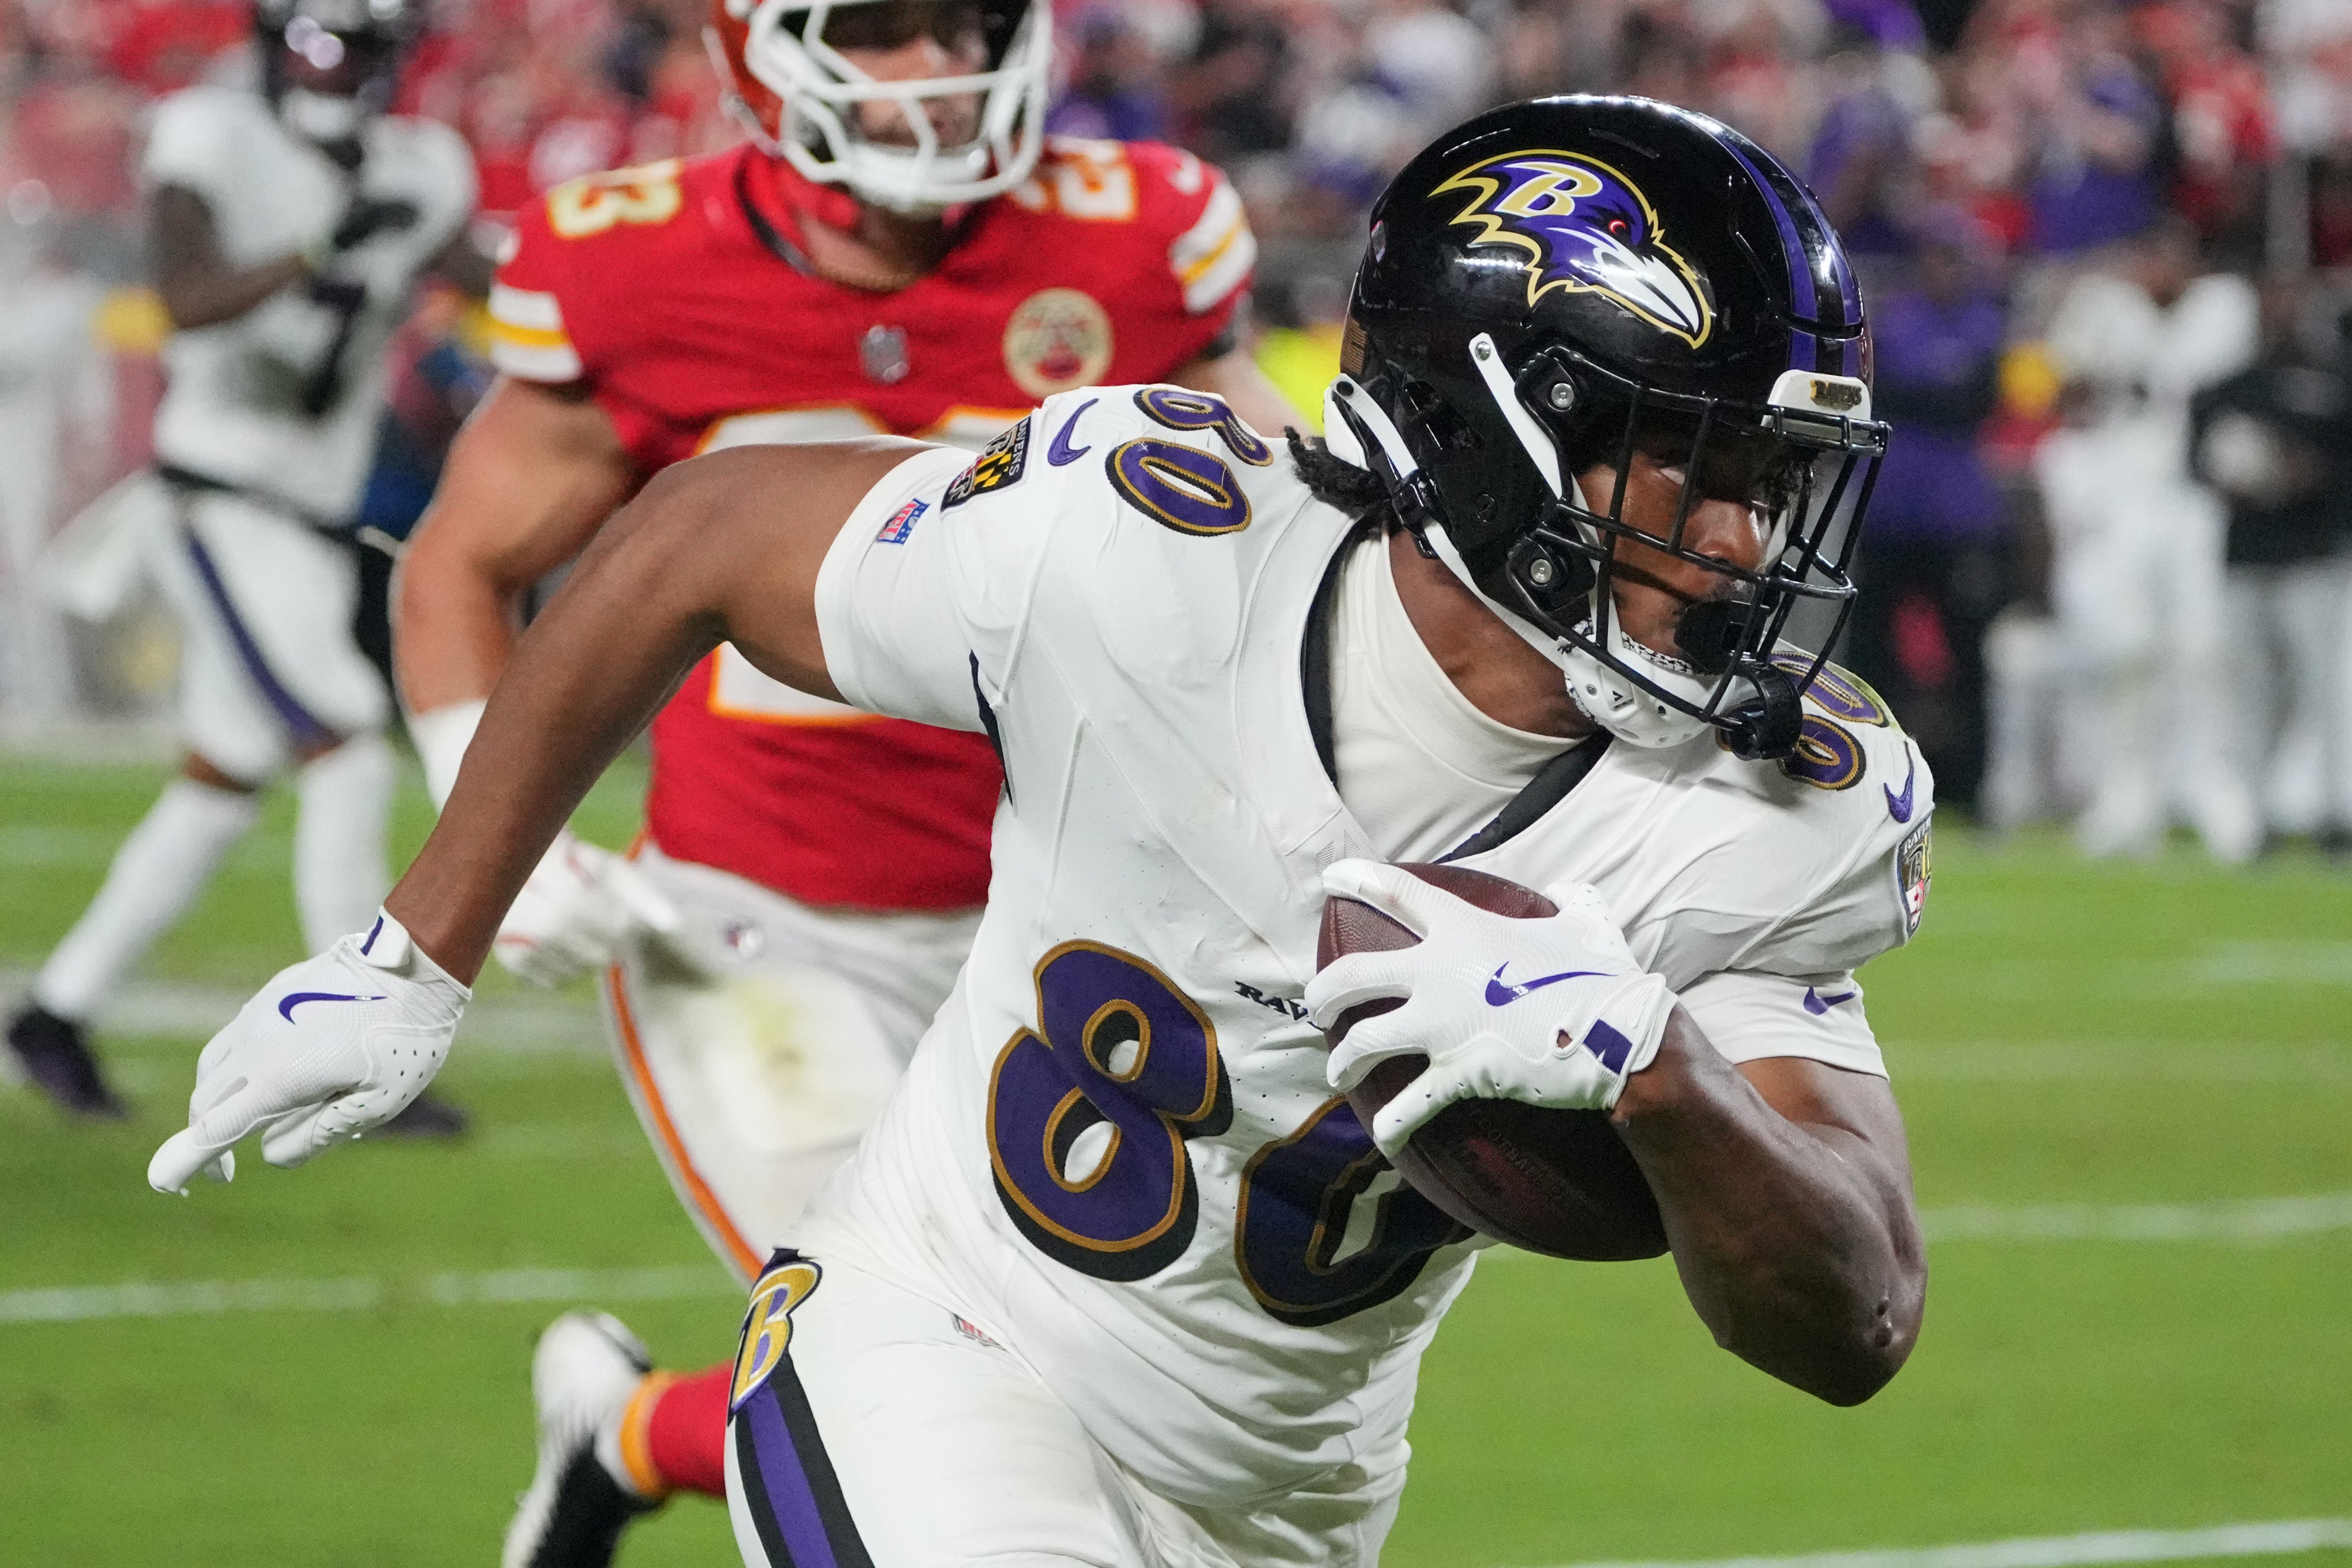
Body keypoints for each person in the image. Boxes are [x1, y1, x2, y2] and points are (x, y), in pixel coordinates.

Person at [150, 97, 1931, 1568]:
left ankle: (615, 1432)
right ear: (1488, 430)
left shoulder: (1775, 808)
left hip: (1289, 1497)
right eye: (1697, 466)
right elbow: (697, 530)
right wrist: (416, 952)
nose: (1750, 545)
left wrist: (1663, 1076)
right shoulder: (1150, 544)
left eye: (1783, 483)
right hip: (943, 1334)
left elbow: (1855, 1322)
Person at [387, 0, 1290, 1559]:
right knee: (938, 1360)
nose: (936, 72)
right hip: (756, 932)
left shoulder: (1139, 238)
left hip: (1065, 937)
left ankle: (619, 1430)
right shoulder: (637, 263)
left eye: (964, 26)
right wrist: (499, 836)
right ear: (755, 51)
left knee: (1115, 1376)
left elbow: (1281, 539)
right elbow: (459, 563)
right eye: (878, 29)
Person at [5, 0, 485, 1128]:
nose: (344, 71)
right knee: (349, 744)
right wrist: (322, 246)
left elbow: (495, 278)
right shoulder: (216, 136)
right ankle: (358, 1045)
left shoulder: (420, 167)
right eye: (325, 45)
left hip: (305, 521)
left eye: (367, 50)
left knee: (220, 787)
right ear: (275, 42)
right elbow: (182, 299)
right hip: (219, 500)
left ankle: (55, 1015)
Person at [2038, 215, 2261, 859]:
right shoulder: (2105, 307)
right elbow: (2065, 389)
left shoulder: (2223, 307)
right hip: (2126, 498)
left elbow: (2216, 384)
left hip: (2192, 499)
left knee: (2200, 649)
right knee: (2127, 651)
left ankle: (2212, 786)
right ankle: (2127, 792)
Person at [1841, 212, 2007, 810]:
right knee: (1871, 656)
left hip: (1956, 519)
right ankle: (1866, 779)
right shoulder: (1896, 320)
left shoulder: (1983, 324)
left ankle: (1972, 786)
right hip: (1890, 515)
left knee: (1968, 659)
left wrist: (1918, 394)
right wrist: (1933, 393)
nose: (1941, 271)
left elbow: (1975, 400)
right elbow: (1876, 390)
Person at [2190, 276, 2352, 849]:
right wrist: (2232, 481)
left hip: (2314, 558)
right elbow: (2197, 464)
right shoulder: (2231, 389)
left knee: (2327, 691)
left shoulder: (2332, 385)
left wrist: (2308, 474)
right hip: (2248, 557)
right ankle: (2256, 816)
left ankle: (2336, 814)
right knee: (2252, 695)